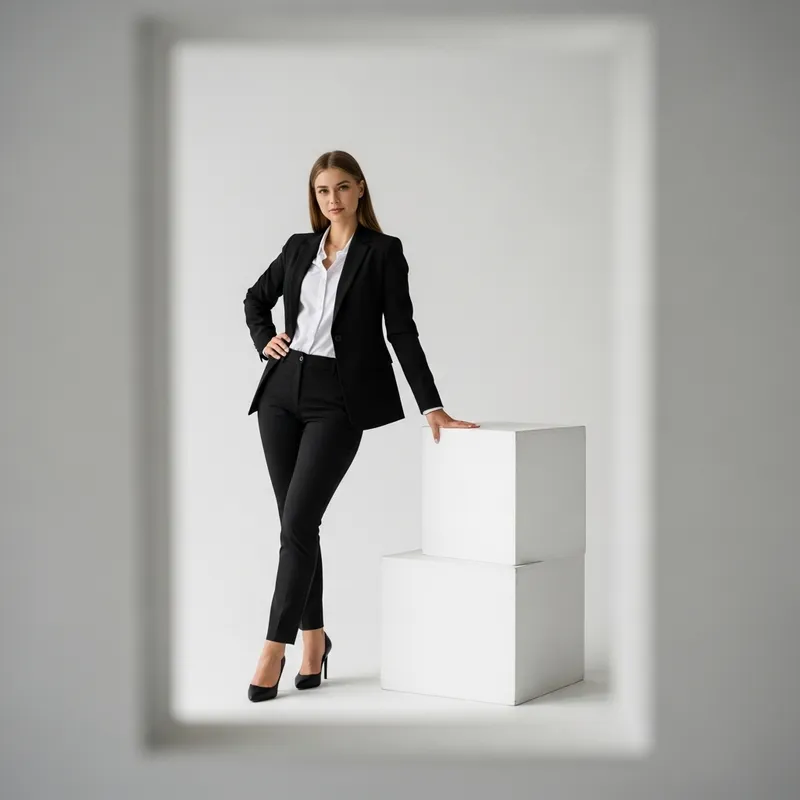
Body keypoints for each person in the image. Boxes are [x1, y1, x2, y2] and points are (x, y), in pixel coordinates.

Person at [243, 150, 480, 702]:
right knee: (296, 526)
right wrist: (265, 341)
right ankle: (314, 639)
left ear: (361, 190)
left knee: (298, 520)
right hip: (281, 393)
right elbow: (256, 300)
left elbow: (403, 332)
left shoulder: (382, 253)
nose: (333, 199)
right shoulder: (299, 247)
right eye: (323, 191)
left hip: (338, 400)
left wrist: (432, 406)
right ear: (315, 196)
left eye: (342, 188)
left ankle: (271, 648)